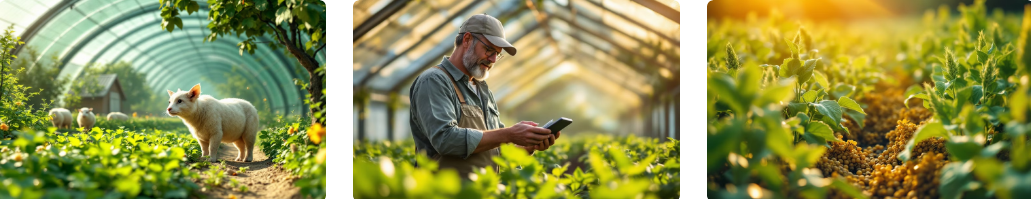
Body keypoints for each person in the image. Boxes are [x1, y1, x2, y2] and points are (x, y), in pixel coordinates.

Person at [408, 14, 561, 179]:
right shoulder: (434, 80)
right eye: (489, 49)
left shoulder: (483, 90)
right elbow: (445, 140)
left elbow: (494, 152)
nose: (493, 59)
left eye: (497, 53)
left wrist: (529, 147)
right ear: (467, 40)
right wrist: (509, 134)